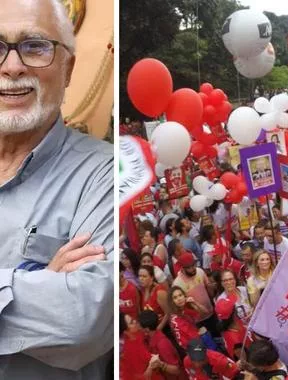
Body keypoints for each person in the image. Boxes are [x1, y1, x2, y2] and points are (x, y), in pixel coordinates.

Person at [0, 0, 114, 376]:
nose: (13, 66)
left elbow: (84, 316)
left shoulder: (106, 174)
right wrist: (37, 280)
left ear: (68, 68)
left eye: (35, 46)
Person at [138, 310, 182, 379]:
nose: (138, 327)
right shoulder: (150, 335)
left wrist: (160, 364)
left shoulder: (162, 344)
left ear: (146, 329)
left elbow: (177, 370)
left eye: (139, 326)